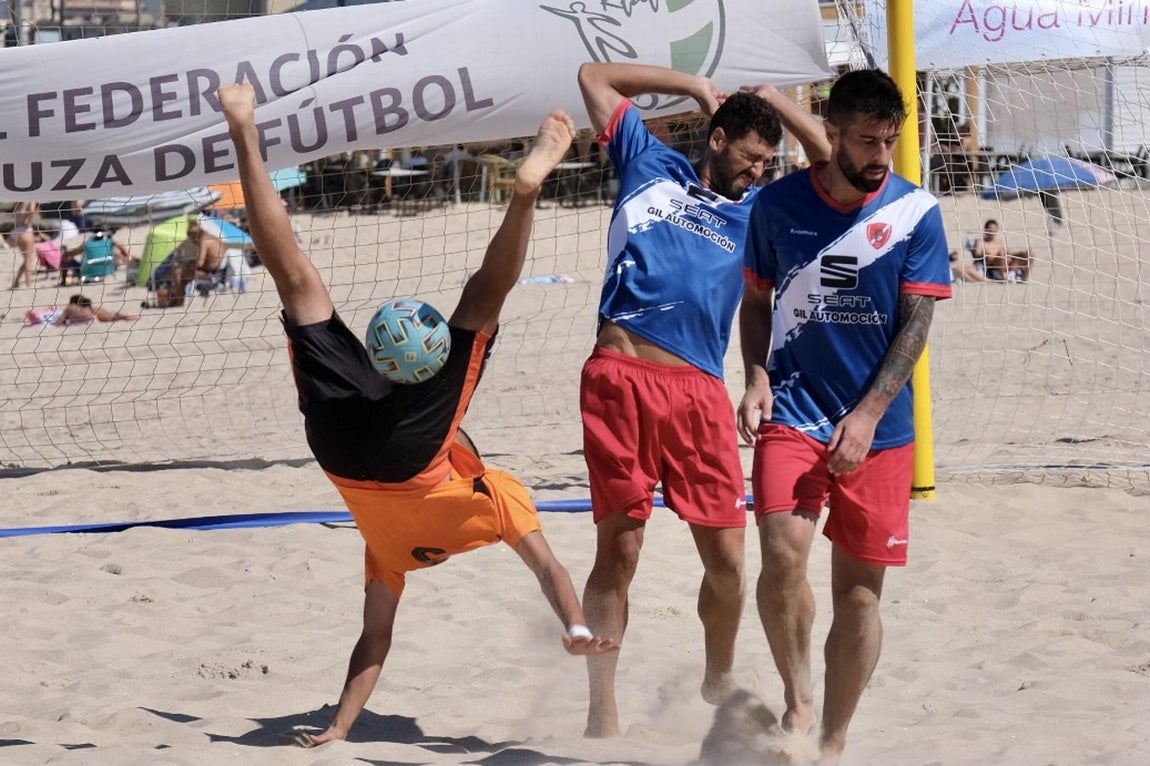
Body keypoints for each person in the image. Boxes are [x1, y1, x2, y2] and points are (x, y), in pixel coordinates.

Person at [218, 83, 618, 747]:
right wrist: (339, 727)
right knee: (298, 285)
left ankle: (523, 194)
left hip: (401, 451)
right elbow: (375, 637)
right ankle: (243, 131)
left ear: (462, 447)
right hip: (344, 450)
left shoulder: (493, 495)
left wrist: (576, 623)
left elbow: (552, 574)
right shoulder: (394, 548)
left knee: (476, 304)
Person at [575, 61, 830, 738]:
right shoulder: (648, 162)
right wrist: (691, 87)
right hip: (620, 375)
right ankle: (601, 707)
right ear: (716, 139)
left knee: (728, 564)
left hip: (697, 393)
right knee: (619, 552)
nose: (757, 171)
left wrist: (779, 104)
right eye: (750, 157)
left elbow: (829, 162)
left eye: (767, 161)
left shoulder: (759, 212)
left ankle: (717, 675)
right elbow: (593, 76)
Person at [737, 68, 952, 764]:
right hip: (794, 411)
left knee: (858, 598)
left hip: (881, 432)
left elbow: (915, 327)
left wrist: (867, 414)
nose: (881, 156)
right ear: (831, 134)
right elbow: (756, 302)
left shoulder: (916, 213)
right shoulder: (776, 205)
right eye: (867, 141)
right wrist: (756, 374)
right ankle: (798, 698)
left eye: (890, 141)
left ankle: (831, 741)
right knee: (780, 556)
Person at [8, 200, 41, 289]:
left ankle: (17, 281)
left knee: (27, 259)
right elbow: (31, 210)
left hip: (16, 230)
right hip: (25, 230)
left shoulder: (19, 201)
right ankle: (28, 283)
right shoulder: (30, 199)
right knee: (29, 259)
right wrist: (29, 221)